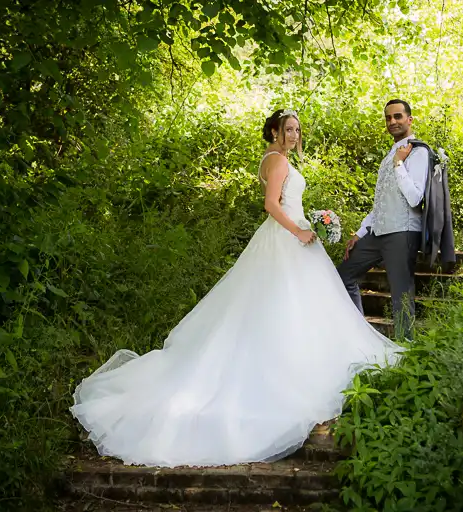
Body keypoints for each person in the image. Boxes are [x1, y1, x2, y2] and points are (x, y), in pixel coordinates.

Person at [70, 109, 403, 468]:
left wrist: (314, 224)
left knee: (301, 306)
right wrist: (300, 230)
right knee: (280, 303)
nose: (294, 134)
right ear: (275, 131)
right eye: (288, 129)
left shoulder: (282, 160)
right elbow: (271, 204)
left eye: (297, 129)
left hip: (296, 238)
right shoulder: (275, 160)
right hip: (285, 240)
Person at [337, 99, 429, 340]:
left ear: (409, 119)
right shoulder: (391, 152)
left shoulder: (418, 151)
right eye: (388, 118)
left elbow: (414, 197)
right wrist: (360, 231)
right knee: (344, 276)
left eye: (398, 116)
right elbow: (382, 201)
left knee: (402, 295)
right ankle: (359, 336)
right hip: (378, 231)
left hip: (403, 231)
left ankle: (405, 351)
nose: (392, 122)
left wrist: (399, 163)